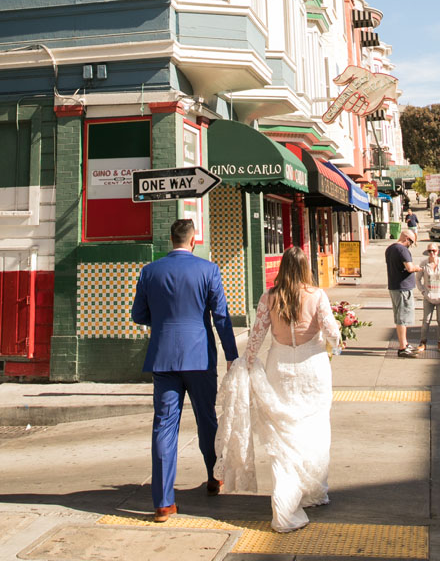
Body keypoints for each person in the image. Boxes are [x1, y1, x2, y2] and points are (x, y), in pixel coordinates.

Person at [215, 246, 341, 533]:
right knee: (315, 430)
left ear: (282, 268)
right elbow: (333, 334)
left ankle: (286, 497)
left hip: (279, 368)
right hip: (313, 370)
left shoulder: (269, 298)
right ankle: (312, 491)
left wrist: (243, 366)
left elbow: (256, 340)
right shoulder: (317, 296)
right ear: (306, 268)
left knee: (283, 436)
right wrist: (340, 338)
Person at [131, 218, 238, 522]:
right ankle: (214, 477)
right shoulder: (209, 270)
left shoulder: (150, 271)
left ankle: (163, 503)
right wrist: (232, 354)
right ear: (193, 241)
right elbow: (221, 317)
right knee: (206, 419)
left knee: (164, 426)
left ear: (170, 239)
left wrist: (164, 323)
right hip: (200, 357)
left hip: (163, 357)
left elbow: (138, 314)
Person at [385, 227, 421, 357]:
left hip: (394, 286)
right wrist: (418, 268)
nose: (410, 245)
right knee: (402, 318)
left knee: (400, 316)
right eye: (411, 242)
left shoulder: (390, 248)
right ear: (407, 239)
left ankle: (405, 343)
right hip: (402, 287)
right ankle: (402, 347)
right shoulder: (402, 249)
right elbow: (410, 268)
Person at [416, 243, 440, 353]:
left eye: (434, 251)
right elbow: (417, 279)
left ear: (437, 251)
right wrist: (423, 291)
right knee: (426, 321)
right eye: (429, 251)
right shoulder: (424, 264)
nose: (432, 253)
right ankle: (423, 342)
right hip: (428, 296)